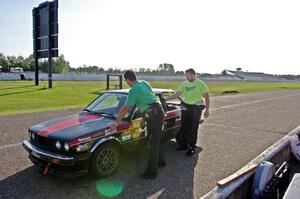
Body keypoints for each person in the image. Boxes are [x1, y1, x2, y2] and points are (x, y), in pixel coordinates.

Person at [112, 70, 166, 179]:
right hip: (157, 112)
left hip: (153, 115)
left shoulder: (133, 90)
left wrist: (116, 122)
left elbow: (125, 108)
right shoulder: (144, 83)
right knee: (153, 140)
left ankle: (151, 173)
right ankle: (161, 161)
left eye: (125, 80)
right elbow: (149, 97)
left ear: (127, 79)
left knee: (152, 143)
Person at [166, 68, 210, 156]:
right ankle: (184, 145)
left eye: (188, 75)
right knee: (184, 127)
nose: (187, 77)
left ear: (194, 75)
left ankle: (192, 147)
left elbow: (207, 97)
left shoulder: (200, 84)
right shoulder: (184, 84)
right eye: (186, 75)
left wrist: (207, 110)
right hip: (186, 107)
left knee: (193, 128)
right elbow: (177, 94)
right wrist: (165, 99)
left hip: (196, 108)